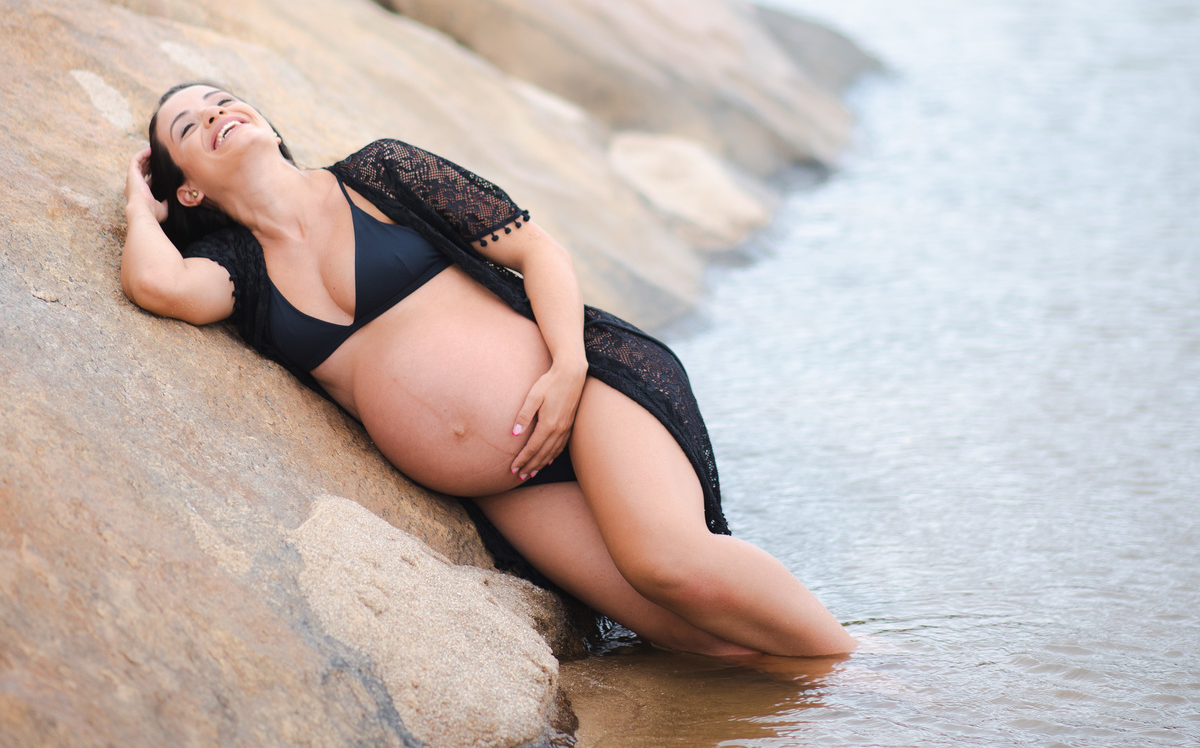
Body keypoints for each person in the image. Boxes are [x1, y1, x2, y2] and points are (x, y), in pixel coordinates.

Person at [122, 83, 855, 660]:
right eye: (189, 126)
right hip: (513, 486)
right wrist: (138, 207)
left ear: (266, 122)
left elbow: (540, 252)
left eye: (222, 99)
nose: (215, 113)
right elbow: (158, 287)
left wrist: (567, 367)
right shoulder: (240, 271)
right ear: (188, 189)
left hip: (586, 386)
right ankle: (819, 706)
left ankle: (868, 670)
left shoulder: (381, 173)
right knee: (686, 632)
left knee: (669, 562)